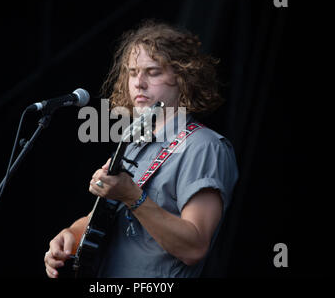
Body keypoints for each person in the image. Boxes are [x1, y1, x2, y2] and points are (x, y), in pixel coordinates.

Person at [44, 20, 239, 278]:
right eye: (132, 72)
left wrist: (133, 196)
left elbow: (194, 247)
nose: (139, 83)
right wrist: (70, 234)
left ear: (183, 77)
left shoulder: (204, 146)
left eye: (153, 72)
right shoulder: (132, 144)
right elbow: (99, 219)